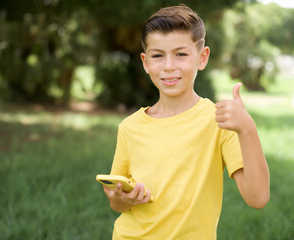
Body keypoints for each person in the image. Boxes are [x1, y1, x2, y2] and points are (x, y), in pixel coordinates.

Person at [102, 4, 270, 239]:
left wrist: (247, 129)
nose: (169, 66)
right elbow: (117, 202)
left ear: (202, 58)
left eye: (181, 54)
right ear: (146, 62)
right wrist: (120, 199)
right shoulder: (129, 127)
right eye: (158, 55)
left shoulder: (219, 122)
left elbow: (258, 197)